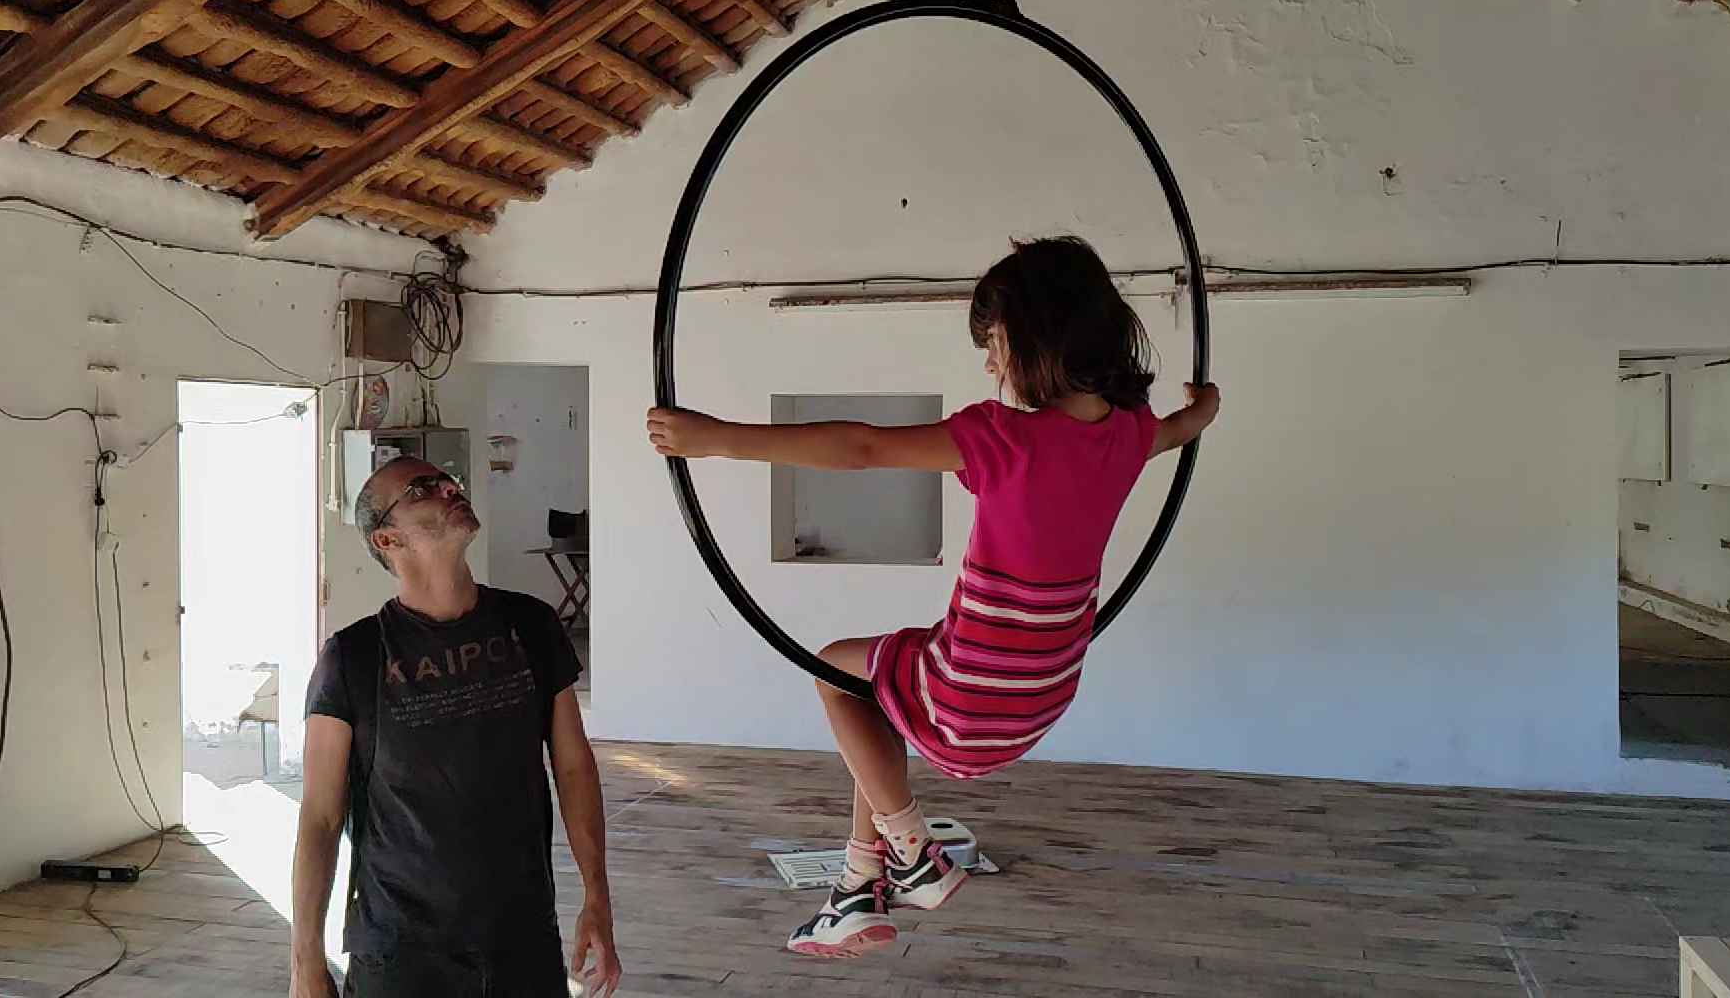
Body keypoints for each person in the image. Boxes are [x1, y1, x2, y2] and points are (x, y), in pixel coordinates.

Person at [647, 236, 1221, 958]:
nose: (991, 364)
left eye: (996, 343)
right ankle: (859, 885)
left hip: (971, 696)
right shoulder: (1131, 433)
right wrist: (1206, 407)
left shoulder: (1007, 439)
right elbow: (1177, 430)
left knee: (833, 670)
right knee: (883, 684)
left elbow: (863, 448)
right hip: (1041, 696)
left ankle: (914, 851)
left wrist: (718, 439)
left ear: (1039, 335)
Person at [289, 457, 621, 996]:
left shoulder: (532, 625)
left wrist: (597, 899)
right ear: (387, 540)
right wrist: (305, 963)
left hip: (523, 937)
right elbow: (321, 818)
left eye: (448, 481)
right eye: (423, 488)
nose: (448, 487)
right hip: (400, 952)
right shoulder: (354, 657)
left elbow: (574, 769)